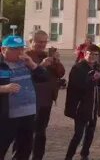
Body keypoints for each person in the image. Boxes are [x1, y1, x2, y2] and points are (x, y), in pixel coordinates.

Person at [64, 44, 100, 160]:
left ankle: (84, 155)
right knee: (78, 135)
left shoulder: (97, 67)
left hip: (94, 106)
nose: (93, 57)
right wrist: (92, 79)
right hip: (81, 107)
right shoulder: (78, 68)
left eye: (95, 54)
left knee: (90, 133)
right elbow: (76, 86)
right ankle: (68, 157)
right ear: (85, 54)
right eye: (90, 54)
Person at [0, 35, 47, 160]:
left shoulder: (26, 63)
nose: (20, 52)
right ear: (3, 50)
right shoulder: (1, 65)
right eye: (15, 49)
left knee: (24, 151)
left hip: (28, 115)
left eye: (21, 49)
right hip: (7, 117)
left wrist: (32, 64)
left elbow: (44, 78)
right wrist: (4, 88)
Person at [24, 30, 66, 160]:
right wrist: (40, 66)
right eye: (39, 42)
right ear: (31, 42)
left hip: (46, 101)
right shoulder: (25, 56)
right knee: (27, 133)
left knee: (41, 133)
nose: (43, 44)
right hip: (30, 100)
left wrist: (57, 61)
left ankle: (38, 157)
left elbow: (60, 73)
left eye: (45, 41)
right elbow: (24, 77)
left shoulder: (46, 55)